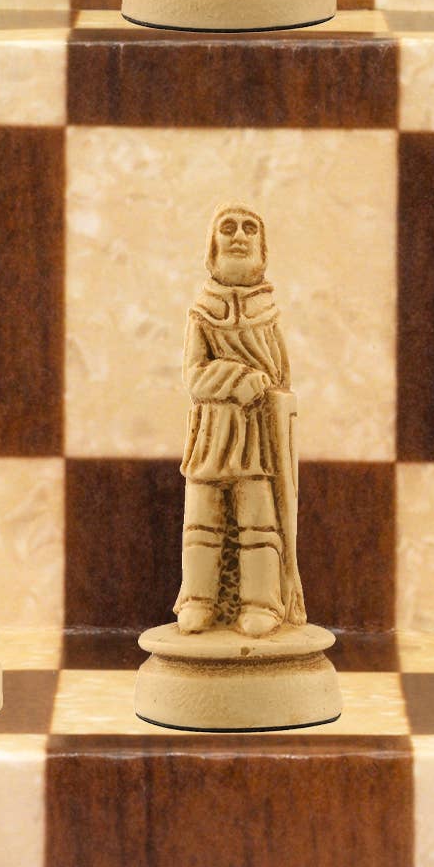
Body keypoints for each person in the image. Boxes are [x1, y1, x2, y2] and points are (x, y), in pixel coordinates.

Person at [174, 203, 307, 637]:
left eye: (250, 229)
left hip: (256, 440)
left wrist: (267, 393)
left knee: (259, 523)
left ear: (262, 249)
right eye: (227, 228)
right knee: (201, 522)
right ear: (211, 248)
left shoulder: (269, 315)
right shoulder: (202, 311)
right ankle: (198, 599)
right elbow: (194, 376)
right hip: (211, 435)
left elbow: (282, 379)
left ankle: (262, 603)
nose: (238, 236)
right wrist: (239, 379)